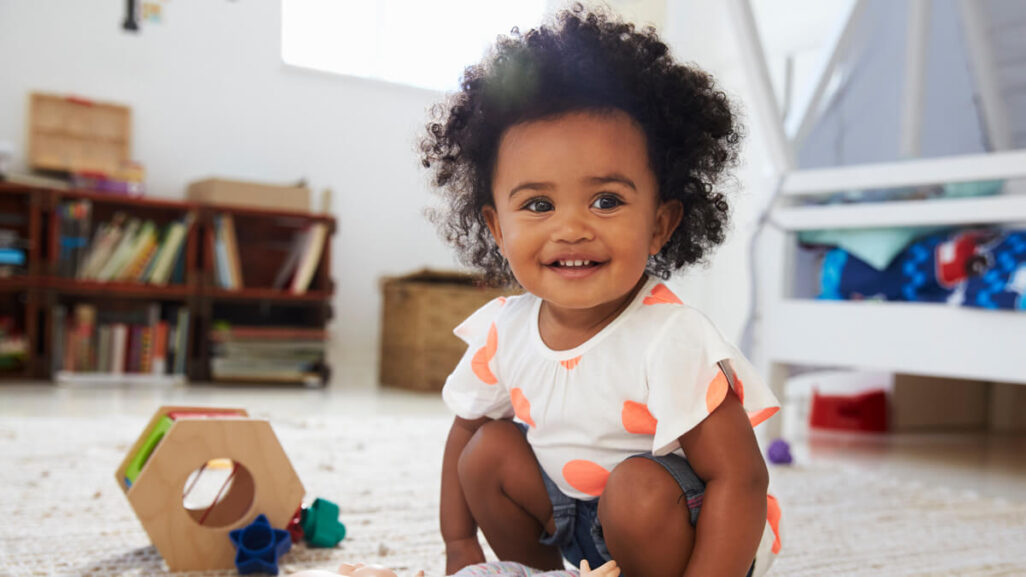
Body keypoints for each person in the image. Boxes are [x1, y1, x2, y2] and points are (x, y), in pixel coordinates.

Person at [420, 5, 782, 577]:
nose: (571, 228)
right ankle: (541, 572)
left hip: (682, 533)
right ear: (496, 227)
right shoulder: (504, 330)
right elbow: (463, 433)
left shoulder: (669, 336)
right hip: (577, 519)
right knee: (486, 451)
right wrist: (458, 545)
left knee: (634, 488)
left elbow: (741, 479)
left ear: (660, 224)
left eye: (607, 201)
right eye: (538, 204)